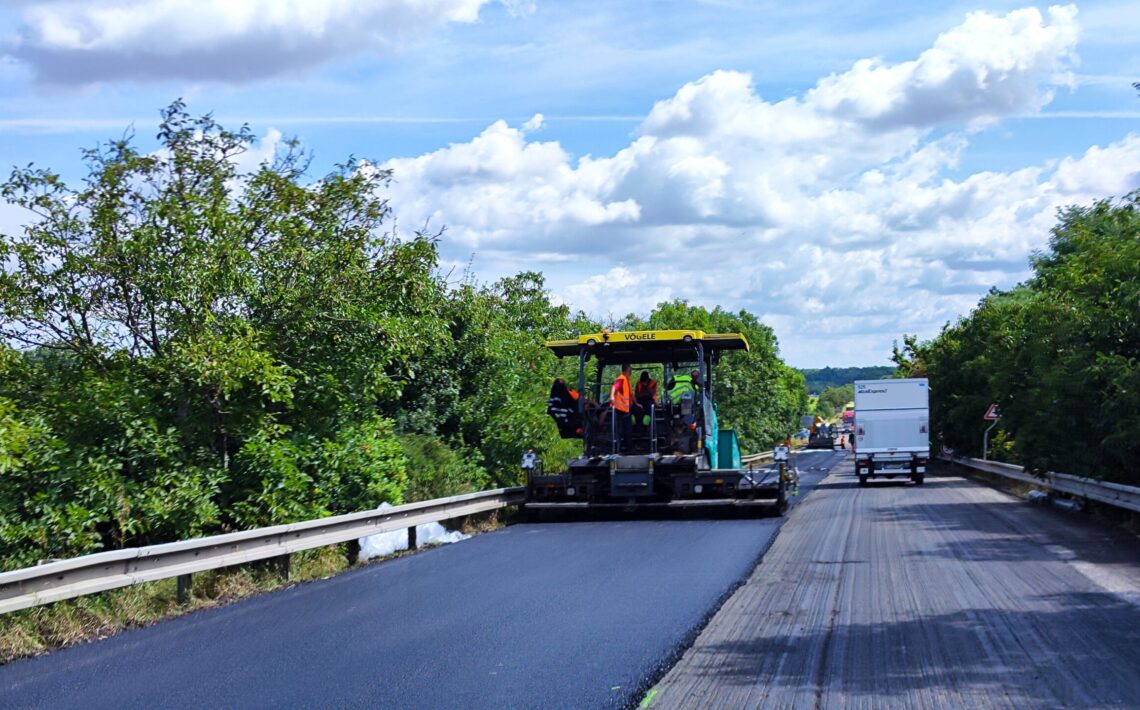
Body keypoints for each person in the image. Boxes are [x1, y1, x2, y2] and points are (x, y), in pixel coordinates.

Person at [610, 363, 634, 452]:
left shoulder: (627, 381)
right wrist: (612, 396)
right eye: (630, 370)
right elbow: (614, 387)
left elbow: (630, 395)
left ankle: (629, 447)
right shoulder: (621, 379)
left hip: (626, 409)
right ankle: (628, 448)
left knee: (628, 428)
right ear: (626, 371)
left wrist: (636, 403)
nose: (631, 372)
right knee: (626, 429)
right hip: (620, 409)